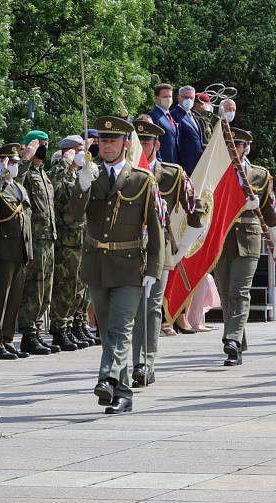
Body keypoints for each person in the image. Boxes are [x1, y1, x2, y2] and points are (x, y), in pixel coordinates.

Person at [69, 115, 164, 415]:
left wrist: (154, 269)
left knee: (122, 329)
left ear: (125, 143)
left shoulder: (141, 179)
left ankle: (106, 378)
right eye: (103, 141)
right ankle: (122, 393)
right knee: (107, 329)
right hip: (97, 264)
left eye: (113, 141)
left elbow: (156, 229)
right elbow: (72, 216)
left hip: (129, 266)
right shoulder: (90, 175)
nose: (107, 146)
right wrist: (81, 187)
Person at [130, 117, 203, 387]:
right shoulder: (120, 171)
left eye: (145, 141)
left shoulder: (173, 174)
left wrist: (182, 248)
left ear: (156, 144)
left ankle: (143, 363)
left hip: (157, 252)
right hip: (123, 250)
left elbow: (196, 211)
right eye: (135, 141)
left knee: (149, 308)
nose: (139, 146)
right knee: (129, 309)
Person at [214, 128, 276, 366]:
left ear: (247, 147)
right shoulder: (217, 172)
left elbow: (268, 211)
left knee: (239, 291)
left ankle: (231, 338)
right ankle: (238, 346)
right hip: (223, 239)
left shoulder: (260, 175)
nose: (233, 149)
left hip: (249, 237)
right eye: (230, 144)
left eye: (239, 144)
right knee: (226, 295)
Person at [0, 143, 33, 360]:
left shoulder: (19, 188)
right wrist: (0, 169)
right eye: (10, 162)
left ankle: (7, 338)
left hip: (21, 248)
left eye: (16, 162)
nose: (14, 166)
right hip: (4, 248)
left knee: (14, 298)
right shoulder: (0, 185)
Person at [17, 131, 59, 354]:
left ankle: (38, 330)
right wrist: (25, 157)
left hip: (48, 236)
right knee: (34, 286)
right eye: (39, 144)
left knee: (46, 288)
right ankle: (28, 333)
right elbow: (15, 185)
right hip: (33, 237)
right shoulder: (25, 171)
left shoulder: (43, 173)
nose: (43, 147)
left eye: (46, 143)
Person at [48, 135, 91, 351]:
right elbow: (52, 189)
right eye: (79, 150)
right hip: (66, 240)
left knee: (81, 286)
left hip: (82, 238)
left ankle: (77, 323)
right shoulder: (60, 173)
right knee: (66, 285)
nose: (83, 153)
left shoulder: (78, 174)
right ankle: (60, 328)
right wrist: (66, 161)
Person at [170, 85, 205, 176]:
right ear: (178, 97)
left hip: (197, 166)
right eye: (185, 97)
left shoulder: (192, 115)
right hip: (185, 167)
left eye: (191, 98)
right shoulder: (174, 115)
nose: (189, 100)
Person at [147, 83, 179, 164]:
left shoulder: (170, 115)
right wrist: (159, 163)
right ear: (156, 98)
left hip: (173, 162)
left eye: (170, 96)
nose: (168, 99)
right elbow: (153, 142)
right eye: (165, 97)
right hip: (162, 163)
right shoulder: (153, 115)